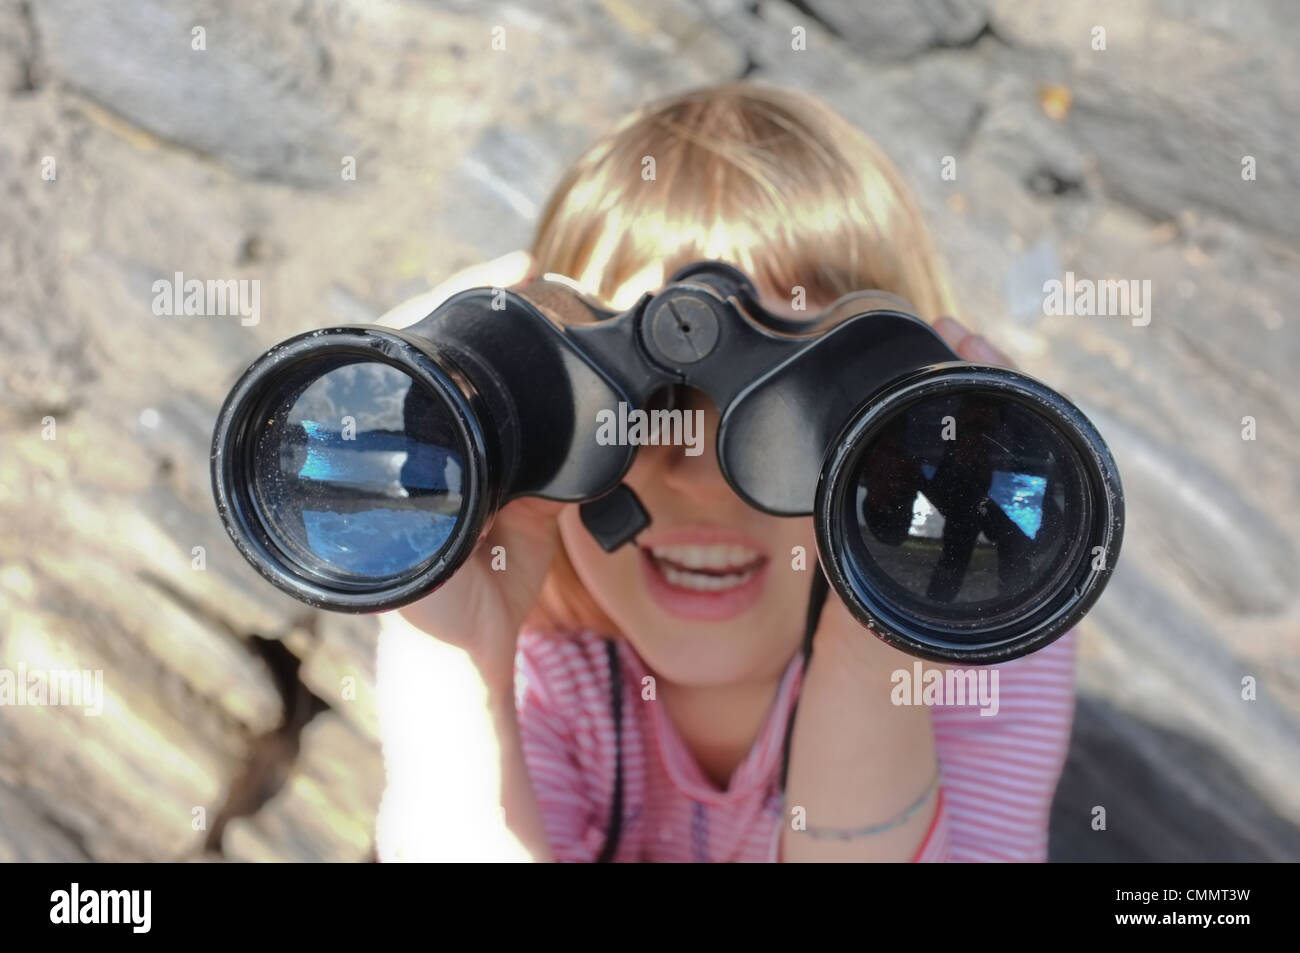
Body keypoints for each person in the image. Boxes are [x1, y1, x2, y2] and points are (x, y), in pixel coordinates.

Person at [373, 82, 1077, 862]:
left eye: (796, 409)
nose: (699, 474)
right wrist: (446, 639)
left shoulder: (978, 650)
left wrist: (880, 649)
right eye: (635, 406)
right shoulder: (548, 668)